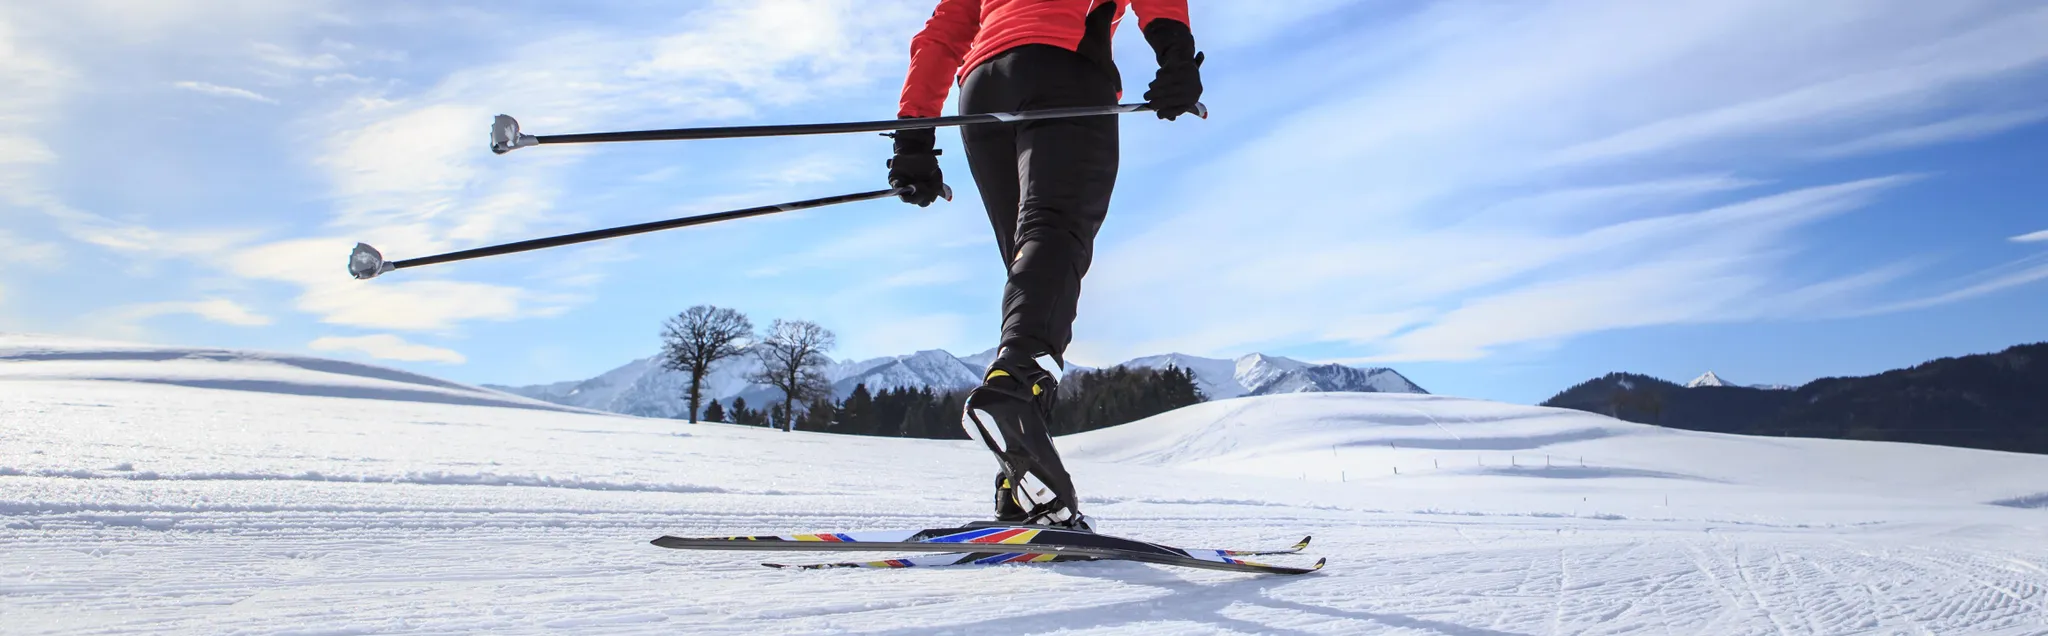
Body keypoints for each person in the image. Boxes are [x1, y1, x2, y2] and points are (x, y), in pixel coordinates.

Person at [886, 0, 1204, 530]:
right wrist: (1176, 60)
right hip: (1064, 71)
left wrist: (913, 137)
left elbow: (942, 33)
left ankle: (1022, 482)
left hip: (982, 89)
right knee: (1055, 234)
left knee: (1030, 264)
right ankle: (1014, 390)